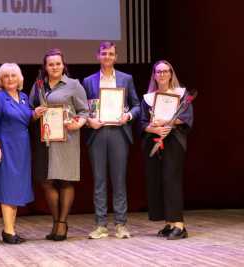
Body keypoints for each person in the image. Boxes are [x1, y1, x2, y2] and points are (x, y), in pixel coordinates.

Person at [82, 41, 140, 239]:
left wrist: (129, 116)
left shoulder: (126, 78)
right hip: (97, 133)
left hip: (118, 133)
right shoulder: (88, 81)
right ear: (98, 56)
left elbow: (136, 105)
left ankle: (121, 225)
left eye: (111, 54)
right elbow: (84, 109)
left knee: (119, 179)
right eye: (104, 53)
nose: (107, 56)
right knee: (99, 180)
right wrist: (89, 121)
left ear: (115, 57)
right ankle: (101, 225)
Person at [30, 48, 88, 241]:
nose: (54, 67)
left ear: (63, 65)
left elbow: (84, 111)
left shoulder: (74, 85)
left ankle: (62, 224)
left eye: (57, 63)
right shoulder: (39, 85)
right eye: (50, 64)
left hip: (67, 138)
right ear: (45, 67)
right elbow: (30, 108)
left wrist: (77, 123)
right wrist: (34, 112)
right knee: (46, 182)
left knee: (65, 180)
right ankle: (56, 221)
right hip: (44, 140)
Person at [140, 60, 193, 240]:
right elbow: (141, 123)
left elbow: (186, 117)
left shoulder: (181, 94)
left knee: (172, 179)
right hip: (154, 140)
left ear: (171, 74)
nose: (162, 74)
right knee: (158, 180)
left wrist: (167, 122)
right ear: (154, 75)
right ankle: (169, 223)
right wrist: (153, 128)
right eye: (158, 72)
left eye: (165, 71)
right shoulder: (148, 98)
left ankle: (179, 224)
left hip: (174, 141)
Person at [0, 63, 38, 244]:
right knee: (7, 187)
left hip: (22, 148)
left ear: (19, 79)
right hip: (6, 147)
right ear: (1, 80)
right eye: (6, 76)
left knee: (17, 189)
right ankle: (8, 232)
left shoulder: (24, 97)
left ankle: (11, 229)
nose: (10, 79)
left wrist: (35, 114)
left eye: (13, 75)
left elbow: (25, 117)